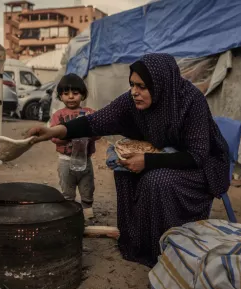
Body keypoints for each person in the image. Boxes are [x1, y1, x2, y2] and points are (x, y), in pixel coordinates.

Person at [26, 54, 230, 267]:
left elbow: (197, 155)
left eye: (142, 86)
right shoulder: (131, 102)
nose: (134, 92)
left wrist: (147, 161)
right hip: (165, 154)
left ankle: (166, 249)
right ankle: (137, 242)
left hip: (201, 166)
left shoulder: (190, 101)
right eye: (132, 84)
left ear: (160, 84)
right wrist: (53, 131)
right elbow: (95, 121)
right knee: (123, 170)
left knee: (156, 180)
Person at [51, 74, 99, 220]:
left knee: (87, 188)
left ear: (83, 95)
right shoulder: (58, 116)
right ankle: (69, 217)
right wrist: (69, 135)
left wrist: (88, 135)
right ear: (60, 96)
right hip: (65, 160)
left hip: (85, 160)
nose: (71, 97)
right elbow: (53, 137)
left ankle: (87, 215)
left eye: (75, 93)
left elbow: (99, 133)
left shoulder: (90, 114)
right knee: (67, 191)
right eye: (66, 94)